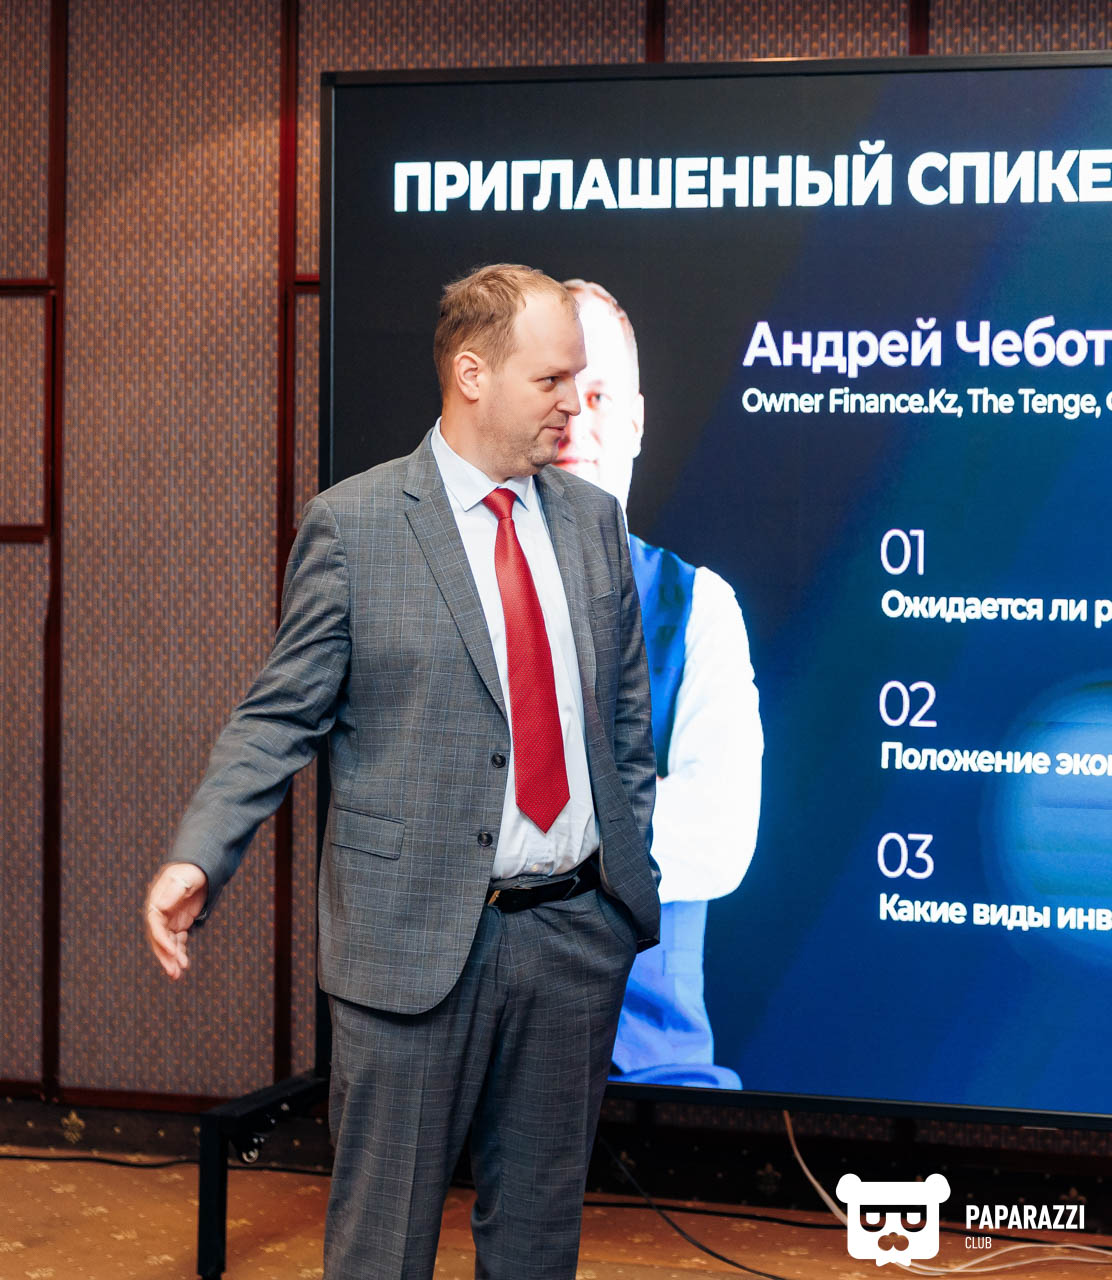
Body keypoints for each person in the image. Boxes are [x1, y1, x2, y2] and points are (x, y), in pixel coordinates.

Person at [143, 263, 662, 1278]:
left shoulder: (594, 522)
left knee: (539, 1242)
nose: (573, 402)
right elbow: (276, 716)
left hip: (573, 942)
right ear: (472, 374)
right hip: (414, 945)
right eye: (552, 379)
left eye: (581, 379)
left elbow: (626, 727)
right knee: (382, 1247)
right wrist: (201, 853)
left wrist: (619, 896)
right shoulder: (357, 526)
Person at [558, 278, 764, 1089]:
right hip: (478, 1066)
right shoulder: (450, 593)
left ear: (636, 422)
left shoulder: (700, 607)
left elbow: (718, 836)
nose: (576, 421)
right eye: (553, 391)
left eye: (599, 396)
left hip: (651, 1072)